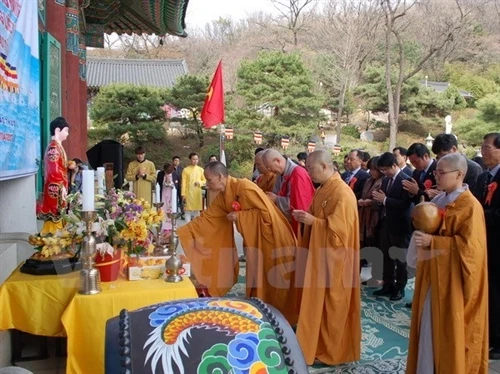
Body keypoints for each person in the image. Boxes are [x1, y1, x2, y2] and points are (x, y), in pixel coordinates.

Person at [177, 162, 300, 324]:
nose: (207, 184)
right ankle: (263, 310)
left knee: (276, 277)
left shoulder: (244, 187)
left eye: (209, 179)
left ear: (220, 176)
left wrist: (241, 217)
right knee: (260, 276)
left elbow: (267, 214)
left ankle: (282, 318)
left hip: (274, 238)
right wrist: (180, 232)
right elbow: (208, 218)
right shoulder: (224, 196)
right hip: (256, 241)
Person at [407, 153, 489, 373]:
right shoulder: (438, 200)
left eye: (441, 173)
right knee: (427, 326)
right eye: (436, 172)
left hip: (453, 282)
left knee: (449, 330)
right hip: (431, 277)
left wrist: (434, 241)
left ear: (459, 174)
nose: (437, 176)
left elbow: (471, 250)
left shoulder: (470, 206)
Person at [293, 150, 361, 365]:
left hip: (337, 260)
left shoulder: (342, 193)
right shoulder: (323, 189)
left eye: (311, 169)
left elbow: (340, 234)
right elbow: (316, 216)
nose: (308, 173)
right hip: (320, 257)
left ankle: (333, 352)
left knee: (333, 306)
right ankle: (316, 344)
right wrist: (306, 219)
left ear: (324, 166)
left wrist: (313, 222)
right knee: (318, 305)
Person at [472, 132, 500, 360]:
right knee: (487, 288)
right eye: (482, 147)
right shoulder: (483, 177)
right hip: (482, 242)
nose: (483, 151)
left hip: (498, 242)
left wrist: (480, 215)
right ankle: (489, 333)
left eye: (488, 147)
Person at [372, 152, 413, 301]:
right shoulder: (385, 180)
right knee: (385, 256)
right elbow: (382, 199)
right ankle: (387, 284)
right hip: (385, 223)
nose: (384, 173)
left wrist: (385, 200)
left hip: (400, 225)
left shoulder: (406, 180)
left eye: (386, 169)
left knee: (400, 258)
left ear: (394, 165)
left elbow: (405, 204)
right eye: (382, 170)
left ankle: (400, 287)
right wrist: (379, 200)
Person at [261, 149, 315, 235]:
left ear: (277, 161)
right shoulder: (280, 174)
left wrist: (277, 199)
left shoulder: (298, 173)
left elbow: (300, 206)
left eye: (269, 167)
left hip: (299, 227)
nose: (269, 170)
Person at [37, 117, 74, 234]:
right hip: (55, 187)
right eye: (66, 131)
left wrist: (68, 164)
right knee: (55, 215)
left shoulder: (57, 147)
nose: (67, 134)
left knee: (61, 215)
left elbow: (60, 164)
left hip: (59, 186)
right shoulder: (53, 148)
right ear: (58, 130)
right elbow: (53, 170)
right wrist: (61, 186)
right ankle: (52, 240)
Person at [358, 156, 383, 249]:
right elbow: (363, 194)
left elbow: (381, 201)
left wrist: (371, 203)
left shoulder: (383, 181)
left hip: (375, 216)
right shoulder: (368, 180)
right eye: (370, 169)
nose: (372, 172)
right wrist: (361, 200)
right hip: (364, 214)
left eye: (374, 169)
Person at [181, 152, 206, 223]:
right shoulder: (186, 170)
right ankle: (187, 228)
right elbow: (183, 183)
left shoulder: (201, 170)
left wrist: (200, 182)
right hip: (188, 193)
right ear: (190, 160)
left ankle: (195, 229)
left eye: (196, 159)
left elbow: (205, 180)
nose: (195, 161)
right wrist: (183, 194)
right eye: (193, 159)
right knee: (187, 211)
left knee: (196, 211)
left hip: (197, 193)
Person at [156, 163, 175, 232]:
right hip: (164, 192)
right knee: (163, 209)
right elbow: (158, 183)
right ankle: (163, 227)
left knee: (170, 209)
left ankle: (170, 228)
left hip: (171, 193)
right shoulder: (160, 174)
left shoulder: (174, 174)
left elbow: (177, 185)